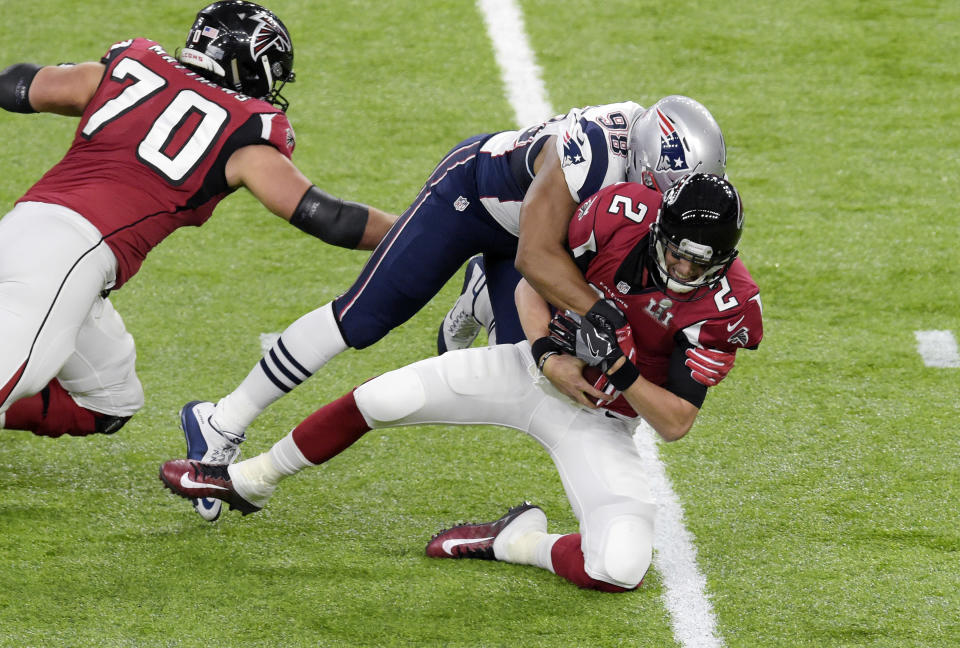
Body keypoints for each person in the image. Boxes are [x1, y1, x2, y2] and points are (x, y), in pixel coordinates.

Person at [160, 173, 764, 592]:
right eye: (677, 254)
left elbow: (676, 422)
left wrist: (621, 369)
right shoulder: (617, 216)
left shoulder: (728, 304)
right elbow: (532, 283)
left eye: (700, 262)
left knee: (621, 567)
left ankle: (514, 542)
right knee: (383, 397)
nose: (684, 270)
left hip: (603, 419)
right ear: (657, 226)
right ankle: (249, 479)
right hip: (531, 373)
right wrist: (548, 353)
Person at [177, 94, 728, 521]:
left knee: (529, 363)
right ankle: (222, 418)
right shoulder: (593, 150)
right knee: (363, 318)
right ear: (647, 165)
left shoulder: (667, 178)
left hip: (539, 242)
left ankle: (483, 295)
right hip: (474, 199)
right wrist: (608, 317)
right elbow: (537, 254)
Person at [0, 2, 395, 442]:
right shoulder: (247, 133)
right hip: (72, 258)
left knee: (109, 401)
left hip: (26, 231)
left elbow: (17, 85)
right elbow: (331, 218)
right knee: (12, 380)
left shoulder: (126, 69)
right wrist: (423, 233)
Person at [436, 95, 728, 353]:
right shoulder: (594, 173)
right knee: (525, 366)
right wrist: (603, 319)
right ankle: (485, 297)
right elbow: (537, 258)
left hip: (569, 260)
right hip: (548, 252)